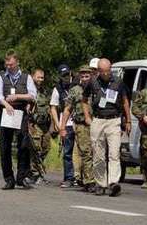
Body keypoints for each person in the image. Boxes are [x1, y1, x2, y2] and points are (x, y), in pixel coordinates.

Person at [83, 58, 132, 197]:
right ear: (98, 71)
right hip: (98, 120)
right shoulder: (92, 82)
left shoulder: (118, 82)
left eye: (108, 71)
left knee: (114, 153)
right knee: (98, 154)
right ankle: (100, 183)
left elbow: (125, 102)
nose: (106, 74)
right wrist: (87, 116)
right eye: (103, 71)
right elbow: (84, 100)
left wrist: (128, 120)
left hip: (114, 120)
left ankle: (113, 183)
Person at [0, 50, 37, 190]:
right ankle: (9, 179)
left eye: (11, 64)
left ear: (17, 62)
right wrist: (6, 104)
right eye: (7, 64)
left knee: (23, 146)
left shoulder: (26, 77)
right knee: (5, 147)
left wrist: (18, 97)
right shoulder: (0, 77)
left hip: (21, 113)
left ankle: (21, 177)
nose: (9, 66)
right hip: (5, 113)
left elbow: (32, 95)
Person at [60, 65, 95, 193]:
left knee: (97, 152)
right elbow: (68, 109)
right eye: (83, 76)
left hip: (97, 123)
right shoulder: (75, 90)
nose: (85, 78)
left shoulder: (96, 88)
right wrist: (62, 127)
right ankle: (88, 180)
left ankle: (98, 178)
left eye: (87, 76)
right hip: (81, 125)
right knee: (86, 152)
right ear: (79, 76)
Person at [50, 64, 77, 188]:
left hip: (78, 122)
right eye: (63, 75)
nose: (66, 77)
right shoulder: (57, 89)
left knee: (83, 152)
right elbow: (53, 107)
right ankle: (69, 177)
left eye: (67, 74)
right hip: (65, 124)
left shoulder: (77, 84)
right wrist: (58, 124)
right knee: (67, 152)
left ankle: (83, 178)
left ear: (70, 73)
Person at [28, 69, 52, 185]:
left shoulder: (44, 91)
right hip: (33, 124)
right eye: (38, 77)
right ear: (33, 77)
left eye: (42, 78)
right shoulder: (29, 90)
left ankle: (37, 170)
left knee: (46, 147)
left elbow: (48, 107)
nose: (41, 80)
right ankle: (36, 174)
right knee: (35, 149)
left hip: (44, 125)